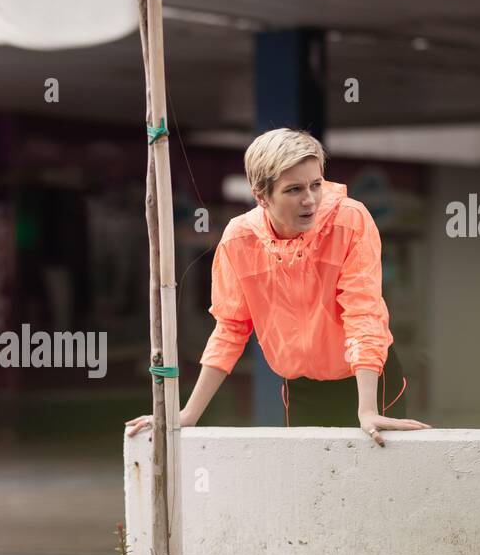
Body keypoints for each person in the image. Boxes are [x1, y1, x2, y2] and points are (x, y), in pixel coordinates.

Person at [127, 128, 430, 444]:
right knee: (313, 490)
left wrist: (366, 409)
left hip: (369, 381)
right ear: (261, 196)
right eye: (294, 189)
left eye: (316, 185)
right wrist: (189, 413)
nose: (309, 199)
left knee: (374, 489)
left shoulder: (350, 220)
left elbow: (363, 313)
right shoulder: (238, 239)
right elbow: (230, 328)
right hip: (302, 387)